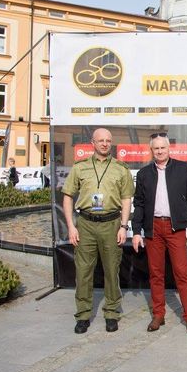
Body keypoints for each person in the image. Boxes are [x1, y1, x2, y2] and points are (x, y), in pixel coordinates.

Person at [62, 128, 134, 334]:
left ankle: (111, 313)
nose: (104, 144)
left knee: (112, 270)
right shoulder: (80, 167)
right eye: (100, 140)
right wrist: (71, 226)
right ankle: (83, 315)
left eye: (108, 140)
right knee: (83, 272)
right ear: (92, 143)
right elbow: (67, 196)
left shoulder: (121, 169)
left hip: (111, 224)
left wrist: (123, 226)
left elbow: (126, 199)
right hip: (85, 224)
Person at [132, 133, 187, 335]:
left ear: (169, 148)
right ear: (151, 150)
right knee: (156, 274)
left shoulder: (182, 168)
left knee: (182, 273)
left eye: (163, 147)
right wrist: (136, 231)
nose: (160, 151)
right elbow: (139, 204)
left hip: (175, 228)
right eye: (156, 148)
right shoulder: (144, 174)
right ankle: (158, 315)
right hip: (153, 229)